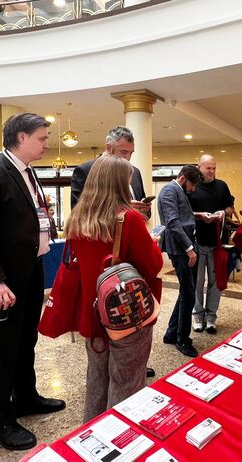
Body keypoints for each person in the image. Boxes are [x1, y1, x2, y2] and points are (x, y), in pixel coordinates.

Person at [0, 113, 65, 451]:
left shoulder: (28, 171)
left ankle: (26, 397)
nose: (47, 143)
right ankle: (1, 422)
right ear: (21, 137)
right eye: (42, 137)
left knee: (26, 340)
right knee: (4, 348)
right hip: (3, 279)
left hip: (30, 270)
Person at [64, 155, 164, 422]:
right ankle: (120, 436)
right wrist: (152, 242)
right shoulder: (128, 219)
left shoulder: (79, 217)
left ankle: (91, 433)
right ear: (120, 183)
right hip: (125, 313)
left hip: (92, 312)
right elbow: (153, 265)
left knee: (96, 380)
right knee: (127, 383)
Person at [69, 126, 156, 378]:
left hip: (99, 291)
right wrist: (130, 217)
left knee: (98, 370)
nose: (128, 159)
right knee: (125, 375)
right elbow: (153, 264)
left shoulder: (134, 174)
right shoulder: (87, 172)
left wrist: (140, 214)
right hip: (118, 292)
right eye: (123, 152)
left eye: (131, 153)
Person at [158, 165, 204, 357]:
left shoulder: (177, 190)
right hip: (179, 248)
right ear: (183, 179)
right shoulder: (169, 190)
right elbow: (173, 222)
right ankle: (182, 340)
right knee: (189, 294)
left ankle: (171, 333)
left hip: (185, 245)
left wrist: (199, 216)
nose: (193, 189)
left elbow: (182, 216)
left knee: (186, 291)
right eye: (192, 185)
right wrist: (189, 248)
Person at [188, 154, 235, 334]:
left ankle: (211, 317)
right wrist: (200, 216)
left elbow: (230, 208)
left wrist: (223, 212)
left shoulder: (222, 186)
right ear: (199, 167)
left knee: (215, 283)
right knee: (198, 281)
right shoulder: (192, 187)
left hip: (217, 241)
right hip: (197, 241)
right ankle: (197, 315)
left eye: (214, 168)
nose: (211, 171)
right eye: (208, 168)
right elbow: (185, 212)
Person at [70, 126, 151, 219]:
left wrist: (144, 209)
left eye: (131, 153)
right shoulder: (86, 170)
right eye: (124, 152)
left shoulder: (135, 172)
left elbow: (147, 215)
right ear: (108, 148)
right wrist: (123, 208)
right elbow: (78, 213)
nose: (128, 157)